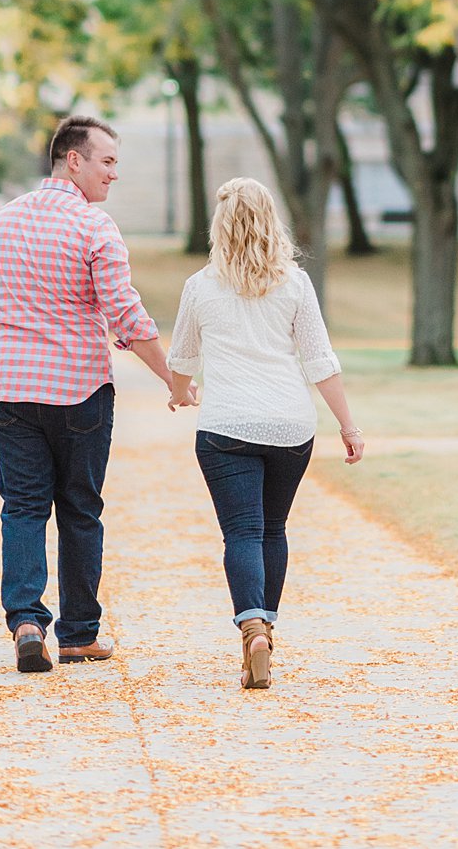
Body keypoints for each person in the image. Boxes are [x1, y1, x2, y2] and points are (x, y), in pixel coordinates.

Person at [0, 114, 190, 673]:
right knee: (79, 510)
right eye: (108, 161)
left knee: (21, 506)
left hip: (11, 392)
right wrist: (174, 379)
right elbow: (127, 315)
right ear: (75, 160)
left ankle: (25, 621)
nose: (114, 174)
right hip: (79, 392)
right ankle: (77, 635)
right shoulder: (96, 229)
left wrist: (5, 369)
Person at [166, 177, 364, 690]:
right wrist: (347, 424)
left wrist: (180, 391)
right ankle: (267, 629)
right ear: (271, 221)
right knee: (272, 529)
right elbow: (320, 360)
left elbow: (183, 357)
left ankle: (250, 624)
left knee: (242, 532)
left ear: (220, 224)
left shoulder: (201, 285)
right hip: (289, 426)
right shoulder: (295, 283)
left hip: (226, 425)